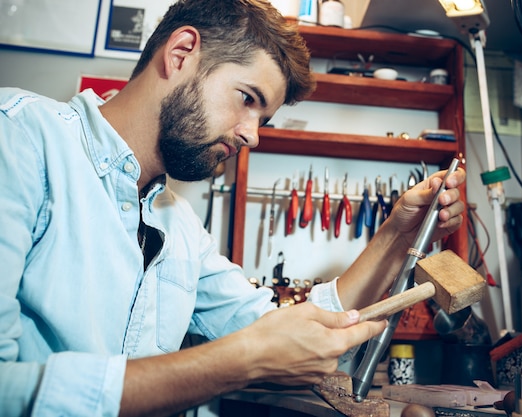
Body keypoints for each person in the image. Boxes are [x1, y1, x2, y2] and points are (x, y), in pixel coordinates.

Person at [0, 0, 466, 416]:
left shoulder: (178, 226)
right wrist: (240, 359)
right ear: (181, 53)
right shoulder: (20, 137)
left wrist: (396, 235)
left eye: (263, 118)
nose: (253, 134)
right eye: (247, 99)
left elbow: (295, 333)